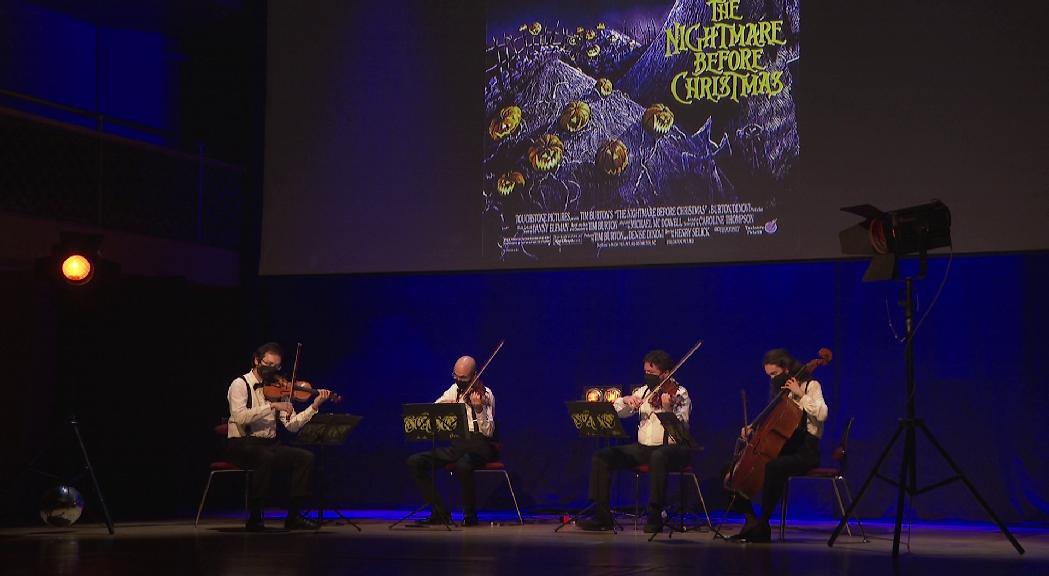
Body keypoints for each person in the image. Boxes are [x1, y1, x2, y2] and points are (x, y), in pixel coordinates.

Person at [578, 350, 692, 533]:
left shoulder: (680, 393)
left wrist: (667, 409)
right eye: (645, 372)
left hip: (672, 450)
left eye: (651, 373)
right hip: (644, 449)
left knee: (658, 456)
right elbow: (619, 411)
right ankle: (602, 516)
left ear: (665, 374)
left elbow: (682, 429)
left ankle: (655, 517)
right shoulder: (644, 391)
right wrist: (626, 400)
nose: (647, 376)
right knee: (602, 457)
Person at [225, 342, 332, 531]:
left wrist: (314, 406)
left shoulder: (279, 388)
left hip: (269, 445)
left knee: (305, 457)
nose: (273, 370)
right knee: (264, 457)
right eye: (269, 365)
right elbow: (239, 417)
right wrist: (272, 406)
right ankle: (256, 517)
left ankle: (294, 516)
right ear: (257, 361)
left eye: (277, 366)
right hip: (241, 444)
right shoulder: (240, 384)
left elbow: (291, 426)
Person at [725, 348, 829, 543]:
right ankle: (751, 520)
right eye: (769, 375)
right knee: (730, 469)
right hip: (785, 448)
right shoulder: (782, 394)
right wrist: (753, 429)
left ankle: (763, 524)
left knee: (773, 467)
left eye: (775, 374)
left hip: (806, 451)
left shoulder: (810, 386)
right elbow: (774, 426)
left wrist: (801, 395)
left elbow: (823, 414)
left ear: (787, 370)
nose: (772, 379)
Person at [406, 356, 497, 527]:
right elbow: (433, 409)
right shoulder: (453, 390)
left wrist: (478, 410)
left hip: (480, 447)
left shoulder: (486, 395)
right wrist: (443, 407)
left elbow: (489, 432)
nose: (459, 381)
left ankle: (470, 516)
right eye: (456, 376)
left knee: (463, 465)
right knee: (415, 461)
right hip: (458, 446)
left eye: (463, 378)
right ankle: (440, 513)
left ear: (474, 375)